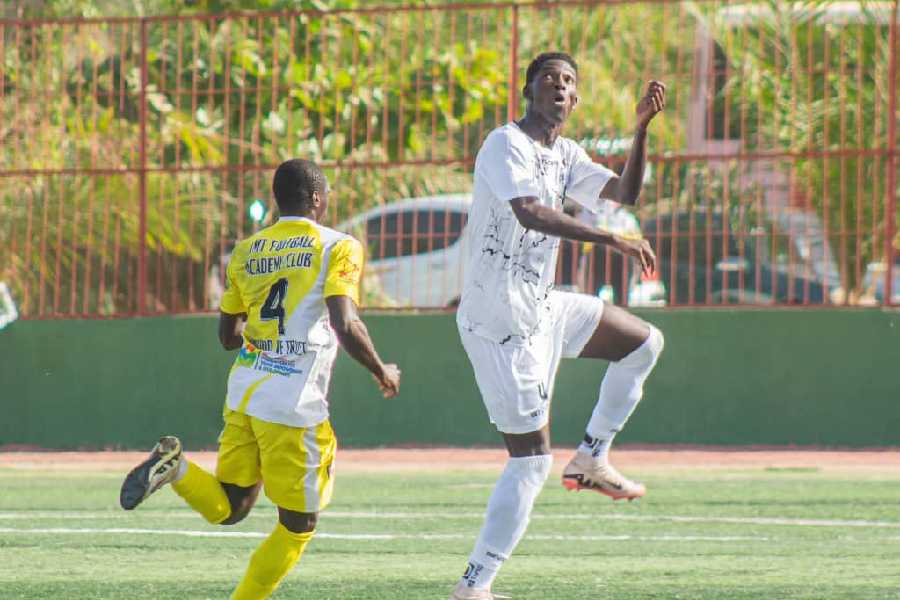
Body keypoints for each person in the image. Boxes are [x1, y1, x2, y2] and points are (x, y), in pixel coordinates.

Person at [119, 158, 401, 600]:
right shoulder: (338, 246)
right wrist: (382, 370)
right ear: (317, 199)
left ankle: (177, 468)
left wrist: (265, 335)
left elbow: (227, 337)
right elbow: (345, 322)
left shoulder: (247, 252)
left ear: (278, 200)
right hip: (293, 403)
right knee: (298, 526)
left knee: (231, 507)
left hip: (245, 392)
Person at [450, 52, 666, 600]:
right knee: (530, 462)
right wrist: (612, 238)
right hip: (498, 323)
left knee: (643, 343)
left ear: (576, 98)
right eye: (549, 78)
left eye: (569, 81)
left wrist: (640, 130)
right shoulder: (505, 144)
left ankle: (592, 456)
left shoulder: (566, 154)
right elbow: (530, 211)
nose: (560, 87)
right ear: (529, 90)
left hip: (542, 307)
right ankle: (475, 585)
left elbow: (625, 194)